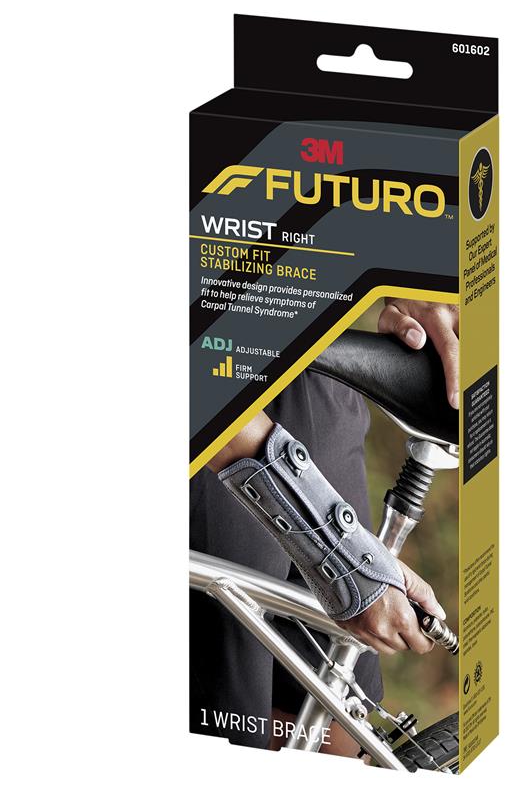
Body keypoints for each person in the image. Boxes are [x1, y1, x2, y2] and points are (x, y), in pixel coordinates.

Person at [190, 298, 459, 756]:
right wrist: (340, 554)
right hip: (208, 382)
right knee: (236, 730)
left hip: (311, 362)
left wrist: (413, 282)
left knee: (334, 729)